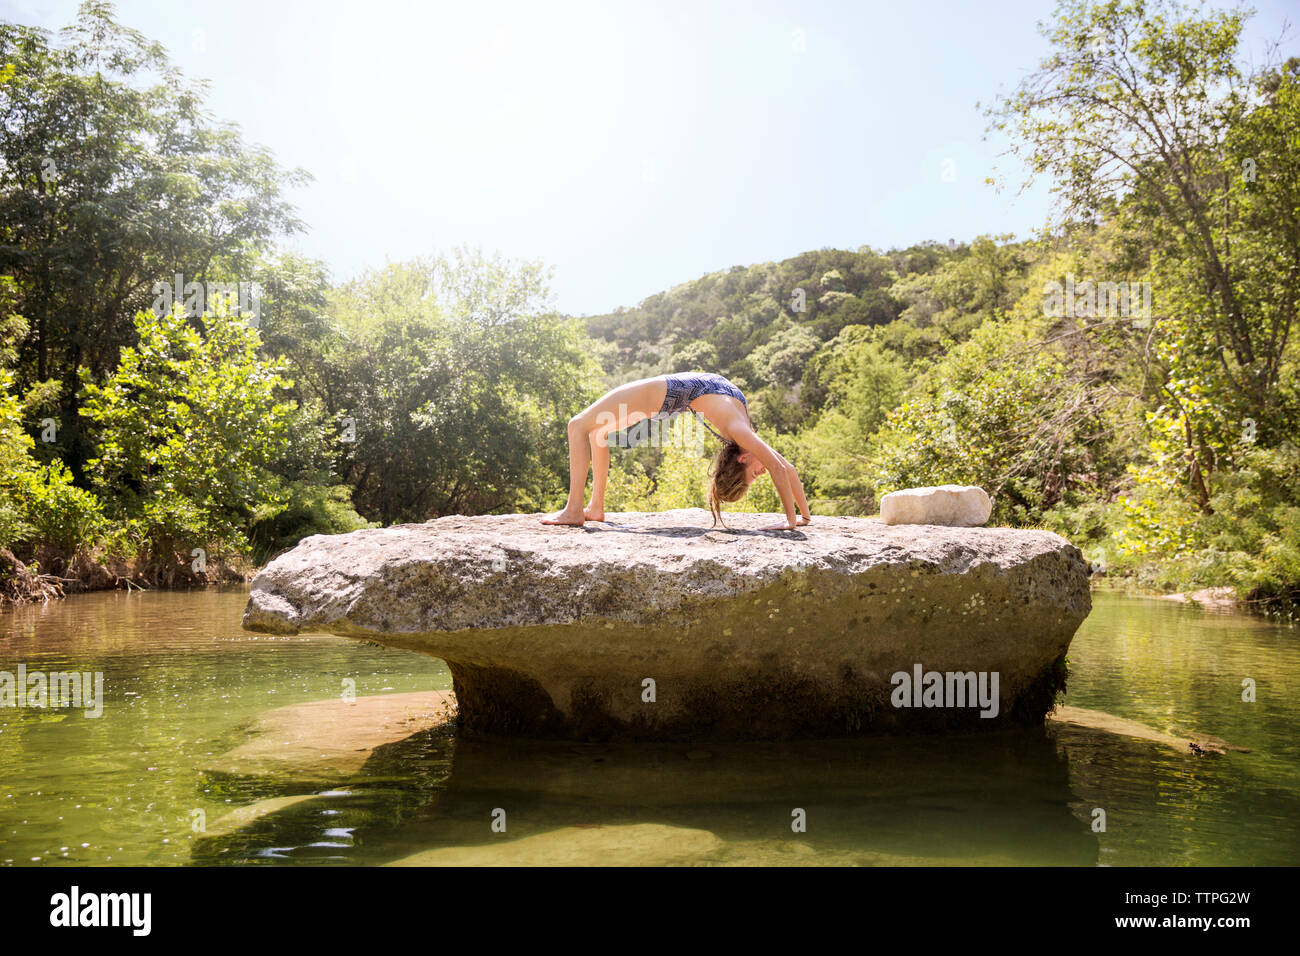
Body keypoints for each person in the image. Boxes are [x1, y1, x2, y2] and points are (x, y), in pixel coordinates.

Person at [541, 371, 812, 530]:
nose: (763, 470)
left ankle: (575, 509)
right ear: (742, 458)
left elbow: (780, 469)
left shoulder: (742, 435)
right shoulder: (743, 433)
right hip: (664, 395)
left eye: (755, 474)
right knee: (594, 430)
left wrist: (795, 519)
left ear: (741, 459)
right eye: (756, 475)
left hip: (661, 396)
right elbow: (784, 468)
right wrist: (798, 518)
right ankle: (592, 507)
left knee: (578, 425)